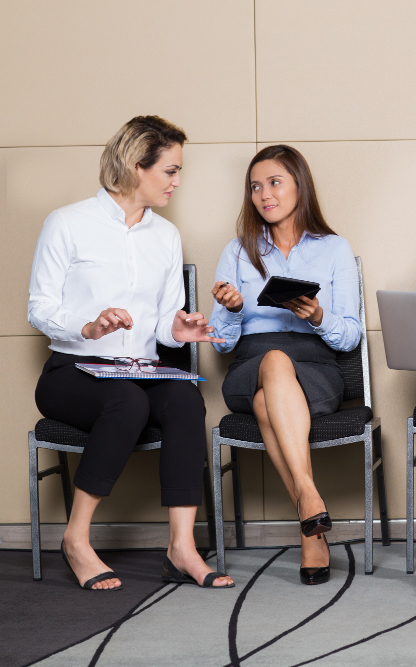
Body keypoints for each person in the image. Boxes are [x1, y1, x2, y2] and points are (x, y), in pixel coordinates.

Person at [28, 115, 234, 591]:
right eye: (170, 171)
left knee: (184, 400)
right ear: (135, 166)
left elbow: (162, 321)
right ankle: (76, 540)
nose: (178, 182)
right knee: (127, 403)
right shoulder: (67, 223)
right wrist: (87, 325)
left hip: (138, 369)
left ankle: (181, 547)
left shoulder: (164, 236)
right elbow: (39, 308)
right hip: (71, 371)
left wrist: (179, 329)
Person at [209, 144, 362, 586]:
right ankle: (309, 499)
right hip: (249, 362)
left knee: (266, 402)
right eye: (255, 187)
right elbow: (219, 344)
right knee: (272, 362)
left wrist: (317, 316)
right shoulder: (238, 251)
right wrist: (233, 310)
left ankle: (307, 517)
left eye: (274, 182)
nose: (264, 194)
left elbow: (349, 335)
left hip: (316, 367)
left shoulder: (333, 249)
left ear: (300, 185)